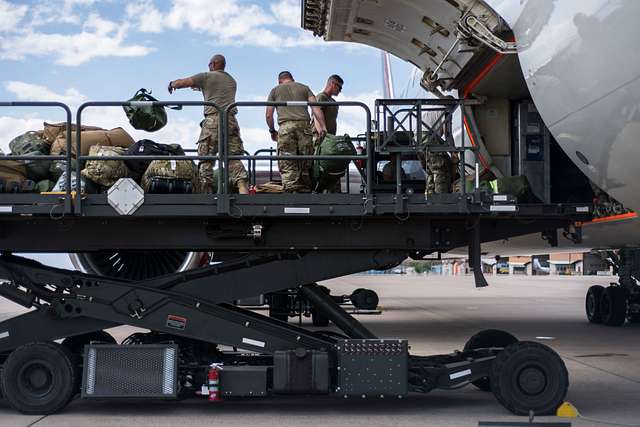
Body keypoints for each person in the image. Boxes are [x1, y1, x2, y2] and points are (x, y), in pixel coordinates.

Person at [168, 54, 249, 194]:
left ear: (214, 64)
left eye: (209, 64)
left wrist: (172, 84)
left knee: (206, 159)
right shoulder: (231, 80)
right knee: (233, 158)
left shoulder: (206, 77)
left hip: (213, 121)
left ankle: (207, 193)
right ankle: (242, 188)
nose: (208, 67)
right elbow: (212, 89)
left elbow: (183, 82)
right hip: (231, 121)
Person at [265, 71, 327, 193]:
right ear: (293, 79)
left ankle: (291, 192)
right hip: (304, 126)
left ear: (279, 81)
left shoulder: (275, 90)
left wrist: (272, 130)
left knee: (287, 161)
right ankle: (305, 190)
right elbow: (316, 108)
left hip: (285, 127)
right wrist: (323, 126)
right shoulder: (304, 88)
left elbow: (268, 115)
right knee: (305, 160)